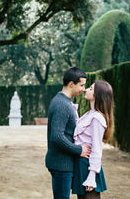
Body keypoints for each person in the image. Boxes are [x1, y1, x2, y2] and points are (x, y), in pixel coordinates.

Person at [45, 67, 92, 199]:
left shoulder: (64, 101)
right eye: (82, 85)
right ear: (71, 84)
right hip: (61, 164)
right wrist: (79, 150)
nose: (83, 89)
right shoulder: (62, 104)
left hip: (63, 163)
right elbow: (57, 136)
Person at [72, 80, 115, 199]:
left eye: (90, 89)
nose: (86, 89)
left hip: (89, 166)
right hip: (81, 165)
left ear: (97, 95)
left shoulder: (97, 118)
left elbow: (97, 149)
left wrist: (92, 176)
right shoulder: (90, 114)